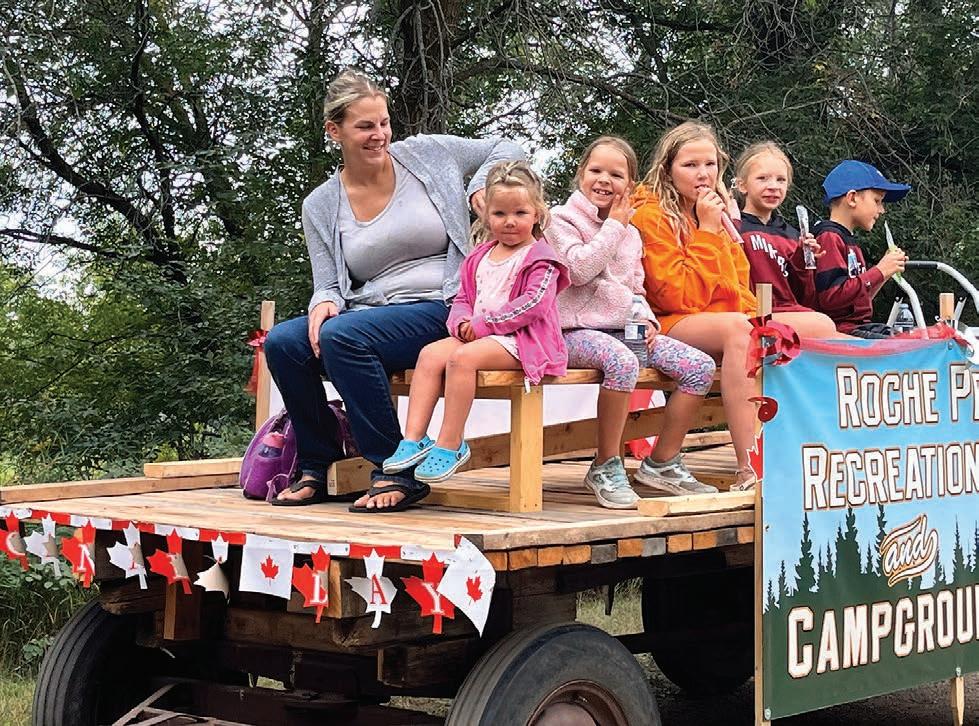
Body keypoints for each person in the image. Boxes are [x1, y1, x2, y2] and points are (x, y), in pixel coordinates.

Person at [263, 69, 525, 509]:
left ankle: (396, 470)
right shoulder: (320, 204)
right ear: (335, 131)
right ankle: (318, 465)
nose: (379, 135)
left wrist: (480, 185)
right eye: (365, 126)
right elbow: (328, 283)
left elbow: (507, 147)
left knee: (343, 336)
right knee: (284, 343)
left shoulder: (426, 155)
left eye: (384, 123)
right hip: (371, 311)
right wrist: (324, 300)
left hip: (445, 304)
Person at [378, 161, 569, 502]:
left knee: (462, 359)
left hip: (522, 341)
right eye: (499, 213)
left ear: (537, 214)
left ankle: (451, 442)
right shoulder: (479, 256)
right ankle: (414, 438)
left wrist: (481, 326)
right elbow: (463, 298)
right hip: (482, 336)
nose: (509, 221)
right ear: (486, 216)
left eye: (520, 213)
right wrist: (460, 322)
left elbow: (533, 305)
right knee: (430, 354)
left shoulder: (541, 258)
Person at [544, 136, 718, 509]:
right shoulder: (559, 220)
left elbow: (636, 288)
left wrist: (647, 320)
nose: (604, 180)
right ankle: (606, 465)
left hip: (624, 329)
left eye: (616, 174)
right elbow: (577, 270)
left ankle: (663, 462)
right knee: (622, 361)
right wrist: (614, 226)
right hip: (572, 331)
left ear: (630, 184)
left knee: (699, 367)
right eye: (596, 170)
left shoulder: (632, 233)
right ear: (581, 173)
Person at [631, 121, 761, 491]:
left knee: (816, 327)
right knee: (740, 332)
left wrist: (763, 323)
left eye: (710, 164)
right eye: (690, 165)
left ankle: (818, 452)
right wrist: (706, 231)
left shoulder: (714, 215)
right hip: (667, 322)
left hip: (718, 320)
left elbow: (739, 286)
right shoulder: (650, 215)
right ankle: (749, 468)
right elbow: (678, 296)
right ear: (667, 169)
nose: (703, 174)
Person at [732, 142, 841, 337]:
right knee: (825, 326)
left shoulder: (792, 234)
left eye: (781, 180)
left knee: (850, 341)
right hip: (752, 314)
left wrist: (803, 259)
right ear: (742, 185)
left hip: (793, 314)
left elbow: (805, 298)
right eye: (762, 178)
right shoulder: (734, 228)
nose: (773, 186)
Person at [812, 160, 911, 338]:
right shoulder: (829, 237)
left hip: (857, 328)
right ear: (852, 198)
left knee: (913, 340)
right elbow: (831, 298)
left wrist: (885, 272)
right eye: (877, 201)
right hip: (840, 334)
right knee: (904, 348)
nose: (882, 210)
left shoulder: (848, 240)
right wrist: (879, 270)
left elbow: (857, 299)